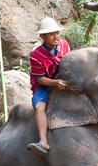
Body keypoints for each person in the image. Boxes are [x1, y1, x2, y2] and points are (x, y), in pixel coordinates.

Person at [26, 17, 70, 155]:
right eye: (51, 34)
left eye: (57, 32)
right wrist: (56, 84)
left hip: (63, 79)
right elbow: (40, 79)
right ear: (42, 36)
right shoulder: (35, 56)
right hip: (46, 84)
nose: (56, 36)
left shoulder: (64, 44)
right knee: (39, 106)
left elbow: (70, 62)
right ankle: (43, 141)